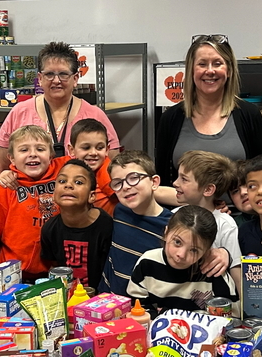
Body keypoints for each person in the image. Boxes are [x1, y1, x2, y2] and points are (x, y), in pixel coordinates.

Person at [154, 34, 262, 193]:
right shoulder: (171, 118)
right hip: (186, 214)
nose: (210, 71)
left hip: (238, 214)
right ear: (191, 70)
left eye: (217, 63)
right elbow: (161, 183)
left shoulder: (249, 115)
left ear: (229, 70)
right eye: (202, 64)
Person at [0, 42, 120, 183]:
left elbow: (114, 168)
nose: (57, 80)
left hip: (81, 201)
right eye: (49, 74)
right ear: (40, 79)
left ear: (75, 79)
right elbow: (1, 168)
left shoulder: (95, 115)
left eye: (64, 74)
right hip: (29, 201)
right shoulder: (19, 113)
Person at [0, 125, 66, 279]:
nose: (33, 154)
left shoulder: (64, 174)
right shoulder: (6, 187)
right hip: (14, 276)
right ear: (11, 158)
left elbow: (88, 156)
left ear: (51, 155)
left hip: (58, 272)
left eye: (40, 149)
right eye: (24, 150)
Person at [127, 205, 237, 316]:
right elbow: (136, 308)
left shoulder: (214, 270)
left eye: (194, 250)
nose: (181, 255)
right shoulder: (147, 263)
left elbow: (232, 315)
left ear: (206, 251)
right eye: (177, 242)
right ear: (166, 233)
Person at [100, 151, 173, 298]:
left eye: (133, 178)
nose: (125, 187)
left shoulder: (172, 226)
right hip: (108, 301)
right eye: (117, 183)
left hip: (145, 308)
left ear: (154, 182)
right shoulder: (120, 211)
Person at [173, 150, 241, 293]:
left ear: (208, 189)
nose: (175, 183)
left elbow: (236, 271)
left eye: (184, 179)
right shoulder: (174, 216)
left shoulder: (225, 224)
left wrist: (244, 312)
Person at [40, 159, 113, 289]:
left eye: (78, 182)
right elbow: (54, 267)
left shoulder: (106, 226)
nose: (68, 185)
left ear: (91, 196)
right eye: (62, 181)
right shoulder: (50, 229)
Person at [68, 119, 117, 216]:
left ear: (107, 149)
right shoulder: (68, 166)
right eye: (86, 148)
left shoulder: (108, 171)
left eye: (99, 148)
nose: (93, 153)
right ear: (71, 150)